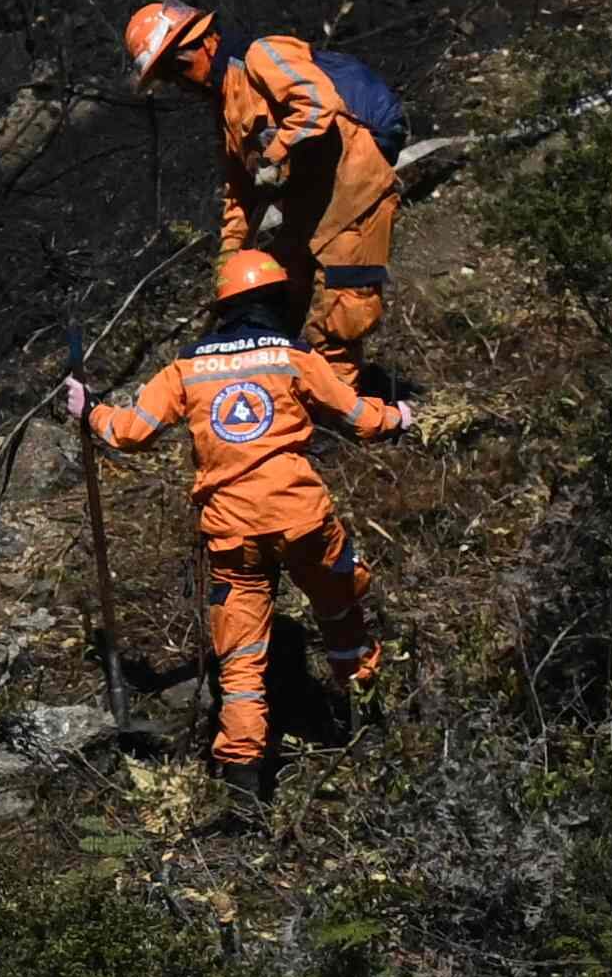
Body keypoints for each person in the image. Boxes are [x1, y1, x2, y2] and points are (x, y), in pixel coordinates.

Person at [69, 249, 416, 810]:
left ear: (222, 308)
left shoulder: (186, 368)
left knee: (243, 664)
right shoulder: (293, 357)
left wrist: (89, 411)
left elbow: (130, 432)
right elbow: (360, 419)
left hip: (234, 537)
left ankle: (244, 797)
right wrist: (401, 416)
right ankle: (371, 726)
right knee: (341, 613)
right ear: (277, 302)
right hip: (302, 521)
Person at [124, 2, 406, 379]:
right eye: (169, 77)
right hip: (310, 212)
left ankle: (341, 420)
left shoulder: (262, 56)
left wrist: (274, 155)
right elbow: (239, 193)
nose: (181, 82)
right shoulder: (226, 105)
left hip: (356, 195)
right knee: (271, 302)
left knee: (340, 320)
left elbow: (319, 103)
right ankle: (280, 402)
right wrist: (228, 259)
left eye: (179, 67)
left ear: (205, 43)